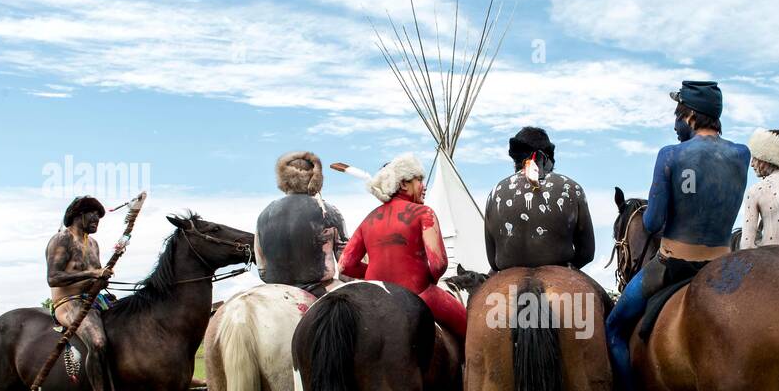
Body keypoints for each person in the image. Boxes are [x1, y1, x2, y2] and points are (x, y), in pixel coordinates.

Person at [605, 81, 750, 391]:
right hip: (722, 267)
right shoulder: (742, 154)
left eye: (676, 114)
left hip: (673, 265)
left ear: (689, 115)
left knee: (615, 329)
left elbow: (652, 223)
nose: (674, 124)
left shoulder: (671, 155)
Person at [339, 154, 467, 340]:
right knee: (470, 329)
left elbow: (345, 265)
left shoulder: (368, 219)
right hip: (420, 293)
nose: (424, 186)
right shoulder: (424, 213)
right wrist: (426, 278)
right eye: (419, 180)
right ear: (404, 184)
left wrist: (378, 274)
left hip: (374, 297)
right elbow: (439, 264)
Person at [46, 195, 124, 391]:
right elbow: (53, 277)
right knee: (98, 342)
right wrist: (92, 275)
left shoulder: (93, 244)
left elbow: (95, 278)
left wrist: (102, 281)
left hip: (93, 300)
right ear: (80, 214)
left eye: (99, 217)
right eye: (94, 216)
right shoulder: (62, 239)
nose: (97, 221)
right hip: (68, 302)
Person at [484, 126, 596, 271]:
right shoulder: (572, 189)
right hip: (562, 275)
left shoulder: (494, 194)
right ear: (545, 158)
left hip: (506, 274)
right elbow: (587, 253)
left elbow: (493, 261)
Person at [255, 151, 347, 296]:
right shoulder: (328, 210)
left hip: (276, 290)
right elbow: (345, 263)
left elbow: (262, 267)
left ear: (283, 179)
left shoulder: (264, 213)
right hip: (320, 289)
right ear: (315, 180)